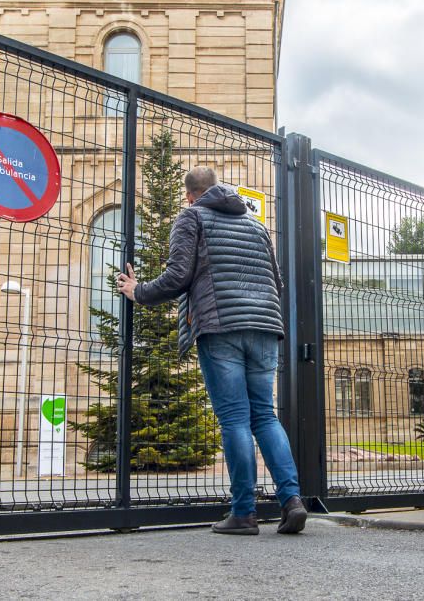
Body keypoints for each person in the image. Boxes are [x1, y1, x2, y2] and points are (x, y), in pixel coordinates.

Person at [116, 166, 307, 536]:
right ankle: (292, 501)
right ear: (218, 189)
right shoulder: (256, 225)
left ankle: (244, 513)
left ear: (190, 195)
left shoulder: (192, 217)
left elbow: (177, 277)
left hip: (221, 327)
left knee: (235, 419)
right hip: (266, 327)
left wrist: (137, 291)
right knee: (265, 416)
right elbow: (277, 282)